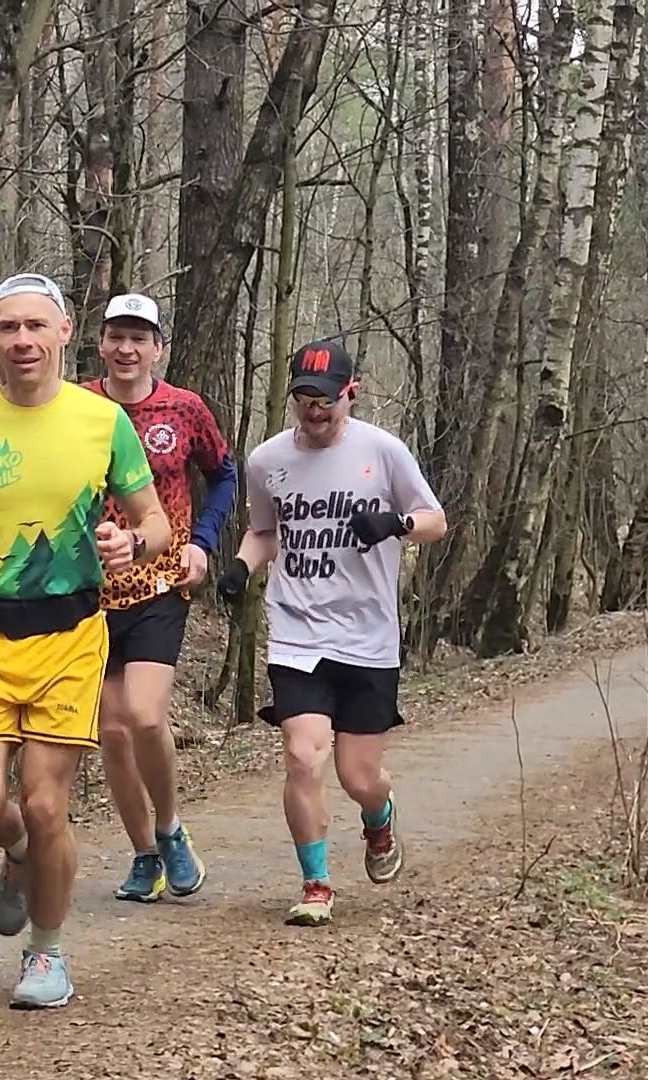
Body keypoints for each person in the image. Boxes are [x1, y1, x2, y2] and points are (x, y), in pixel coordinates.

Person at [0, 272, 170, 1009]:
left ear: (63, 332)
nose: (22, 340)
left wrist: (132, 544)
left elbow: (153, 521)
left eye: (35, 326)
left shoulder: (102, 422)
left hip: (70, 636)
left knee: (48, 803)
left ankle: (47, 952)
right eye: (7, 328)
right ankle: (19, 853)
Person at [215, 338, 446, 928]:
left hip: (368, 635)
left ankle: (379, 816)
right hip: (298, 629)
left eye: (326, 400)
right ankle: (315, 883)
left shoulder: (382, 451)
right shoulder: (267, 459)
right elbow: (264, 530)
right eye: (304, 399)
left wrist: (395, 523)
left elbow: (435, 521)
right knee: (302, 755)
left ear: (351, 394)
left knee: (358, 777)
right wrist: (242, 565)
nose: (315, 412)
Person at [84, 293, 237, 903]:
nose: (127, 349)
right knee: (112, 733)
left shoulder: (185, 408)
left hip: (160, 583)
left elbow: (224, 474)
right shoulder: (78, 407)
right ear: (100, 343)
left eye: (139, 339)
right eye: (116, 336)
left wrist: (202, 542)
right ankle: (144, 853)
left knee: (145, 716)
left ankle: (170, 828)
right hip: (89, 594)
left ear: (158, 349)